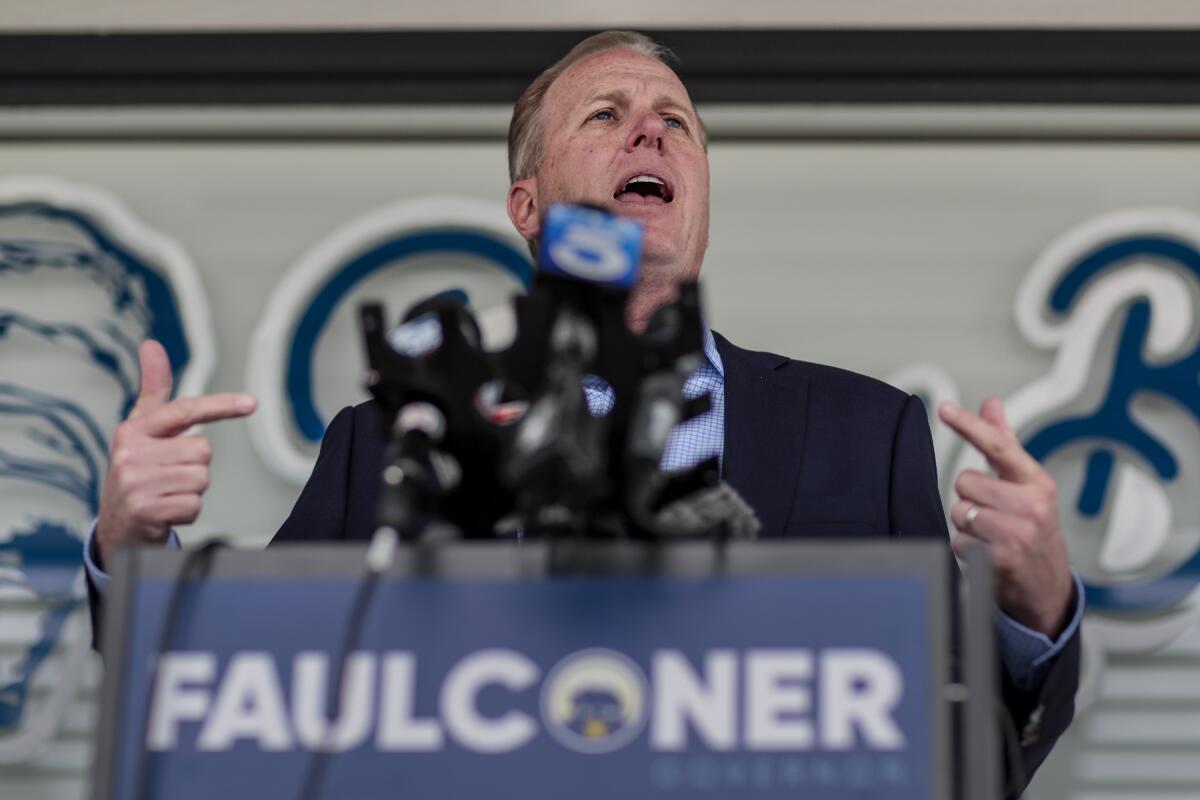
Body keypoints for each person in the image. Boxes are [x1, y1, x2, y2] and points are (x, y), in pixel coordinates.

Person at [84, 31, 1081, 795]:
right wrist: (134, 548)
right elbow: (241, 719)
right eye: (605, 115)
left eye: (675, 121)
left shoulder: (866, 431)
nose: (651, 129)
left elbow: (963, 757)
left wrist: (1033, 606)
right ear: (528, 207)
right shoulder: (385, 443)